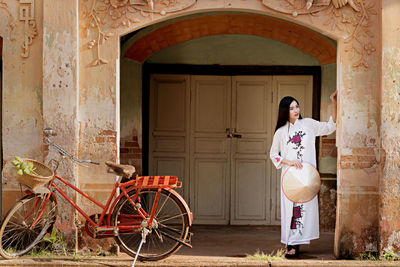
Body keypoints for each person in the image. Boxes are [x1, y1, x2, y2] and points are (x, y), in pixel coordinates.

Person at [269, 91, 337, 258]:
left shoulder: (308, 124)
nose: (296, 110)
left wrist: (334, 102)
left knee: (303, 209)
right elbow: (273, 154)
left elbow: (330, 126)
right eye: (292, 108)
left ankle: (296, 242)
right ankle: (291, 242)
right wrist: (289, 162)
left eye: (297, 106)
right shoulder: (281, 132)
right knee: (290, 209)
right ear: (285, 111)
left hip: (307, 177)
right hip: (290, 178)